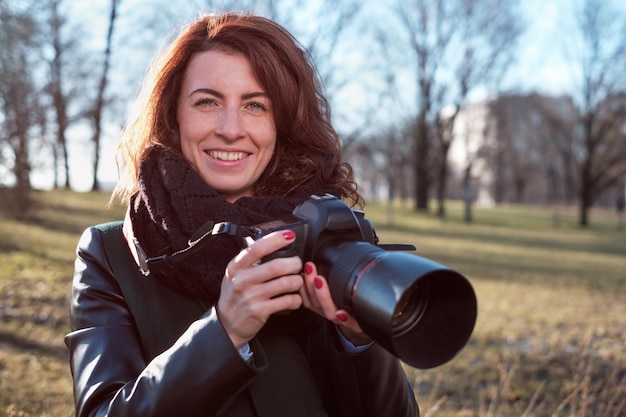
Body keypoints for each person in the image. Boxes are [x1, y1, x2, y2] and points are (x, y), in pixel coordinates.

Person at [65, 12, 419, 417]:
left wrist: (362, 340)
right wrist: (224, 332)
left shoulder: (334, 244)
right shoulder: (111, 254)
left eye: (255, 105)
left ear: (283, 124)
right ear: (173, 115)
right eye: (207, 102)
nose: (231, 129)